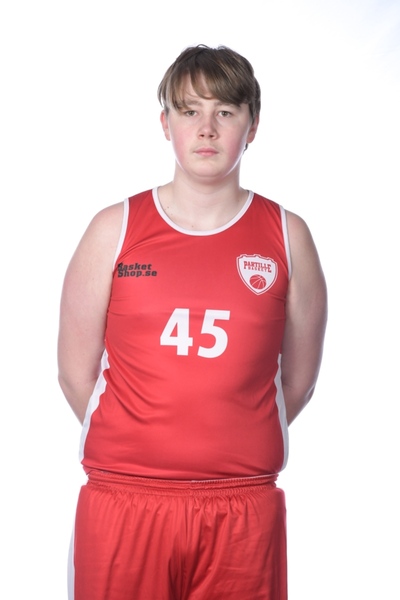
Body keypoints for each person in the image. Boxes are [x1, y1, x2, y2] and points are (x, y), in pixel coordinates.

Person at [58, 44, 327, 600]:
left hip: (242, 508)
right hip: (124, 501)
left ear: (252, 126)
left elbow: (297, 383)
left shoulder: (287, 236)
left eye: (225, 111)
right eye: (189, 111)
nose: (207, 128)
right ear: (166, 124)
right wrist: (146, 442)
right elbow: (74, 373)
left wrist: (226, 442)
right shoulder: (114, 229)